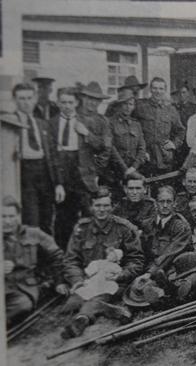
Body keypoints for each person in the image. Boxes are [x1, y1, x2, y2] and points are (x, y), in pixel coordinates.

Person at [61, 187, 143, 339]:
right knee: (70, 305)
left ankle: (82, 320)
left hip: (115, 282)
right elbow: (71, 260)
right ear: (91, 206)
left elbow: (136, 260)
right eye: (98, 205)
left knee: (96, 298)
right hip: (89, 280)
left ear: (112, 206)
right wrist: (77, 280)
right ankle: (111, 310)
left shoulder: (124, 228)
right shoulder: (81, 228)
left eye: (106, 205)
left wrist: (121, 275)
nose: (102, 210)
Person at [52, 86, 108, 247]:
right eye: (63, 102)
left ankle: (89, 254)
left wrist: (86, 133)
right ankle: (63, 257)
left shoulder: (87, 121)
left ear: (75, 102)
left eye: (70, 102)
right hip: (63, 175)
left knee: (88, 215)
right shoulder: (52, 123)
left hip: (83, 176)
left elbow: (102, 145)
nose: (67, 106)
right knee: (63, 218)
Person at [3, 196, 67, 327]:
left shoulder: (33, 234)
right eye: (2, 216)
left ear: (18, 216)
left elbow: (57, 255)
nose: (7, 221)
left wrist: (59, 281)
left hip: (23, 288)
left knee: (22, 305)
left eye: (11, 216)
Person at [13, 83, 64, 235]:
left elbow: (54, 156)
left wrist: (59, 184)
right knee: (31, 221)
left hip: (45, 176)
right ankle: (32, 258)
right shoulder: (9, 123)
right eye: (21, 98)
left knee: (47, 221)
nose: (26, 102)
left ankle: (47, 259)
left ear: (35, 99)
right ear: (15, 100)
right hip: (24, 176)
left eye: (29, 98)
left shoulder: (42, 124)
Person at [132, 77, 185, 175]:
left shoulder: (171, 110)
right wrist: (139, 150)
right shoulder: (140, 106)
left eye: (161, 89)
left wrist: (174, 144)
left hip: (164, 157)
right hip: (145, 156)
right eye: (155, 88)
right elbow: (132, 128)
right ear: (150, 90)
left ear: (165, 90)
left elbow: (180, 131)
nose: (158, 91)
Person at [138, 186, 192, 276]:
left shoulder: (181, 226)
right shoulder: (147, 224)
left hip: (171, 270)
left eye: (169, 202)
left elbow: (169, 255)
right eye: (162, 202)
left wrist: (149, 273)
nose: (165, 205)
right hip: (147, 268)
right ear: (155, 203)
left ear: (175, 203)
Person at [108, 90, 147, 186]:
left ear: (134, 106)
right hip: (116, 171)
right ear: (119, 105)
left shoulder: (136, 124)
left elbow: (142, 148)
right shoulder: (110, 123)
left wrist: (133, 168)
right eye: (125, 104)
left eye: (131, 104)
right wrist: (126, 170)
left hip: (134, 169)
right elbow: (111, 148)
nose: (128, 107)